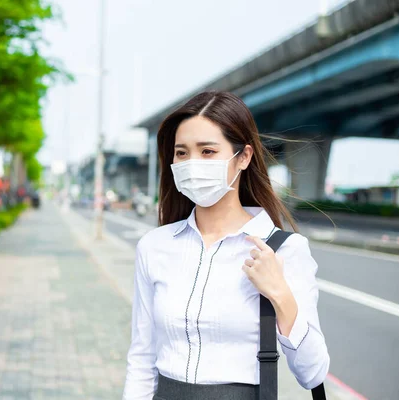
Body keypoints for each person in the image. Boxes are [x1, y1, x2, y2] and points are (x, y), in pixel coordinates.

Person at [122, 91, 329, 400]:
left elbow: (312, 373)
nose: (191, 163)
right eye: (181, 153)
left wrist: (280, 294)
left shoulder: (283, 251)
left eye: (207, 151)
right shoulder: (155, 246)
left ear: (243, 157)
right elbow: (142, 357)